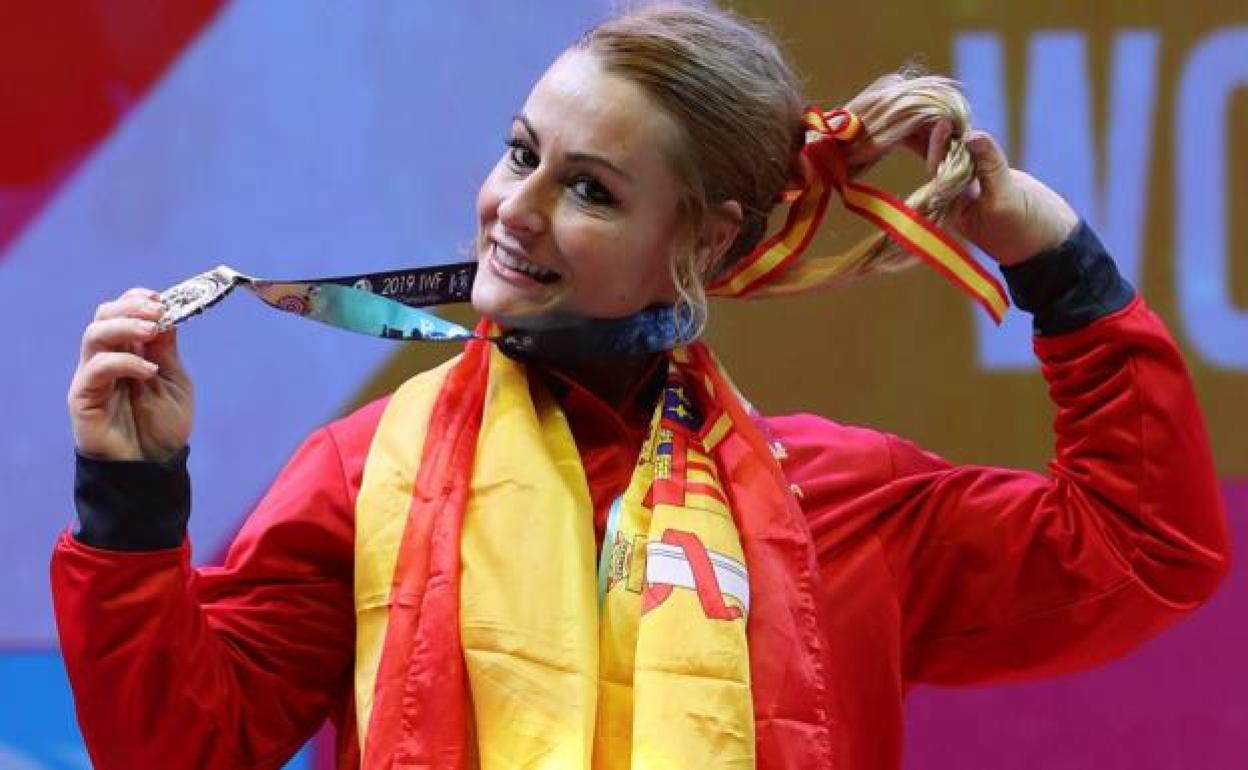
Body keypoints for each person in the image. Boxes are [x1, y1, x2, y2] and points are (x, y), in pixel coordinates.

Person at [52, 4, 1230, 770]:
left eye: (592, 190)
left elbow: (1145, 546)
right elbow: (183, 748)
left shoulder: (840, 500)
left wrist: (1059, 266)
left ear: (704, 242)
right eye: (522, 153)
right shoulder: (369, 473)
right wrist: (133, 501)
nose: (515, 208)